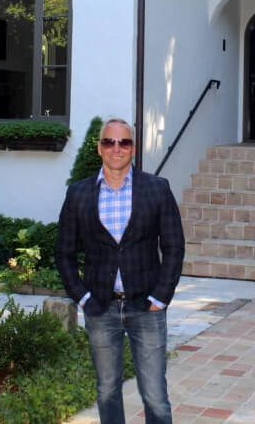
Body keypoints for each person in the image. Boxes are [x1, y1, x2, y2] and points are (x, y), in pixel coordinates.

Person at [55, 118, 184, 424]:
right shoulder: (79, 193)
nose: (116, 148)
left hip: (146, 307)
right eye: (109, 142)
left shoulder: (157, 189)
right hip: (100, 307)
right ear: (99, 148)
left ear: (133, 149)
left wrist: (160, 298)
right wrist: (82, 297)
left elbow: (174, 247)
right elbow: (64, 252)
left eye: (124, 142)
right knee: (107, 390)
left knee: (155, 395)